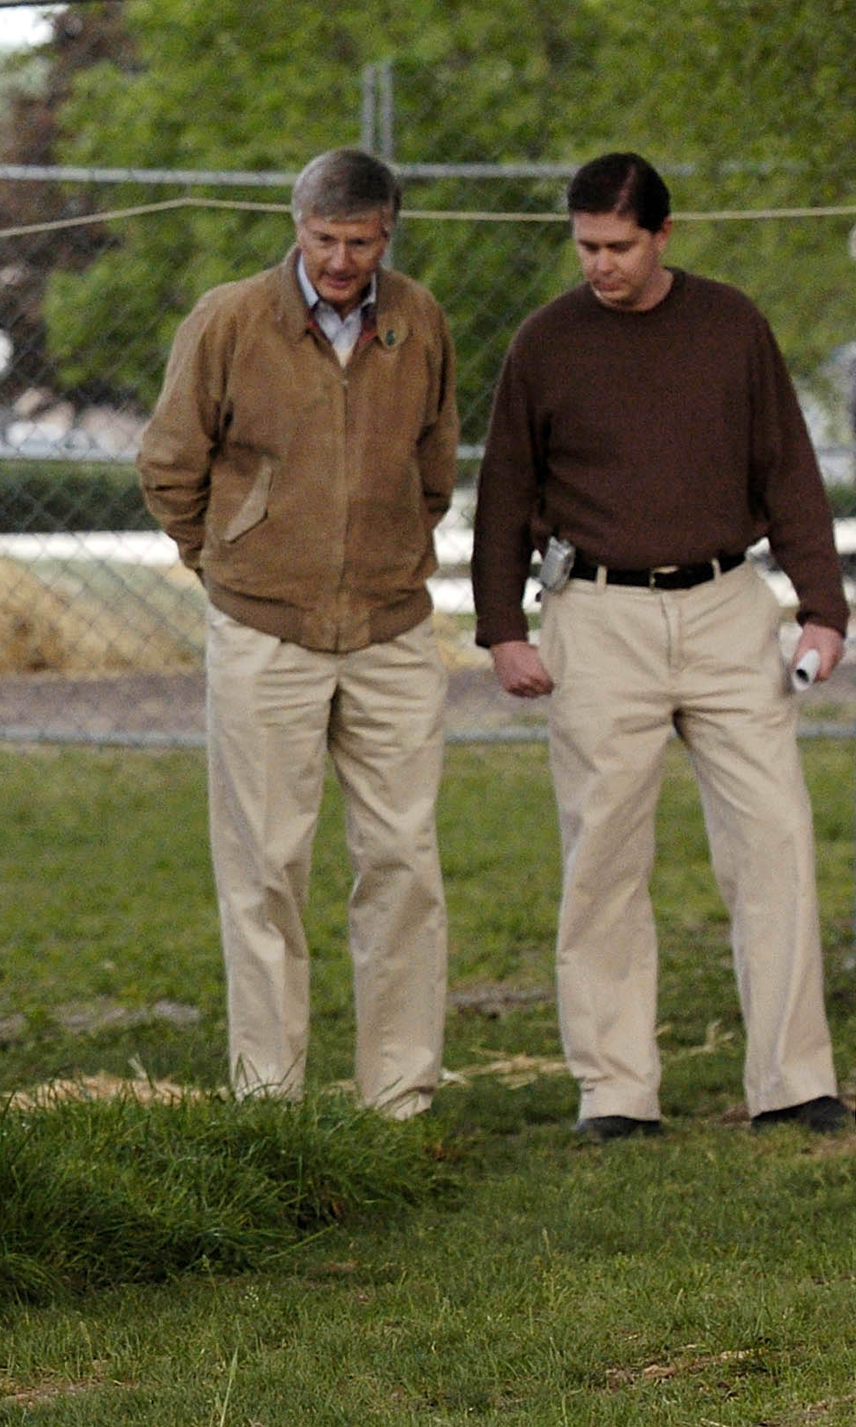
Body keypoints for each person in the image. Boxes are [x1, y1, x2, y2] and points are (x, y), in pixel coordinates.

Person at [472, 152, 850, 1142]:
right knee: (602, 852)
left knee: (775, 839)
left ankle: (795, 1079)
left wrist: (824, 608)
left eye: (619, 246)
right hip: (597, 613)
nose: (600, 263)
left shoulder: (733, 325)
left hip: (729, 605)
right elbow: (505, 492)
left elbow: (791, 471)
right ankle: (617, 1090)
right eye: (586, 245)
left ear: (663, 236)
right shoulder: (545, 342)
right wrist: (503, 628)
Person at [138, 148, 459, 1119]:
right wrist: (231, 557)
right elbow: (168, 462)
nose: (342, 259)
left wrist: (391, 545)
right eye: (325, 239)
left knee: (404, 860)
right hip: (262, 633)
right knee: (266, 866)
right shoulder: (232, 318)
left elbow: (434, 462)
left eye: (361, 241)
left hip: (392, 630)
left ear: (387, 234)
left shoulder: (419, 321)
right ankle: (269, 1101)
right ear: (299, 225)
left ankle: (398, 1096)